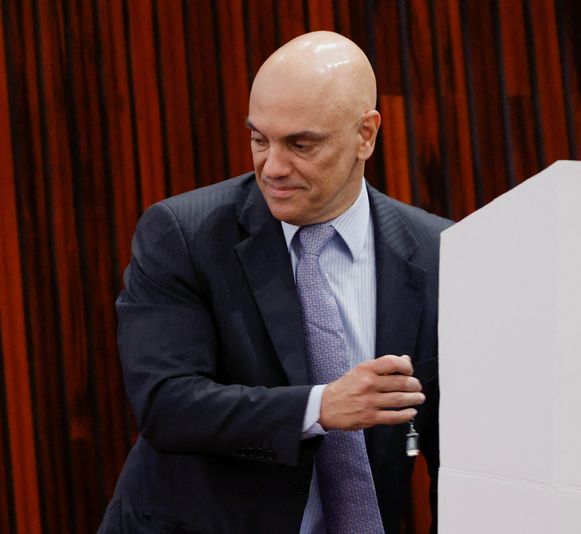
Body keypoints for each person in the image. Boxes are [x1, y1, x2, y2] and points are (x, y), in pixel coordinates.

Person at [98, 31, 451, 533]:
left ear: (365, 135)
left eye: (301, 144)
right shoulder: (183, 233)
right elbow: (167, 404)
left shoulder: (437, 250)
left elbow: (453, 442)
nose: (273, 167)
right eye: (259, 139)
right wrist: (319, 408)